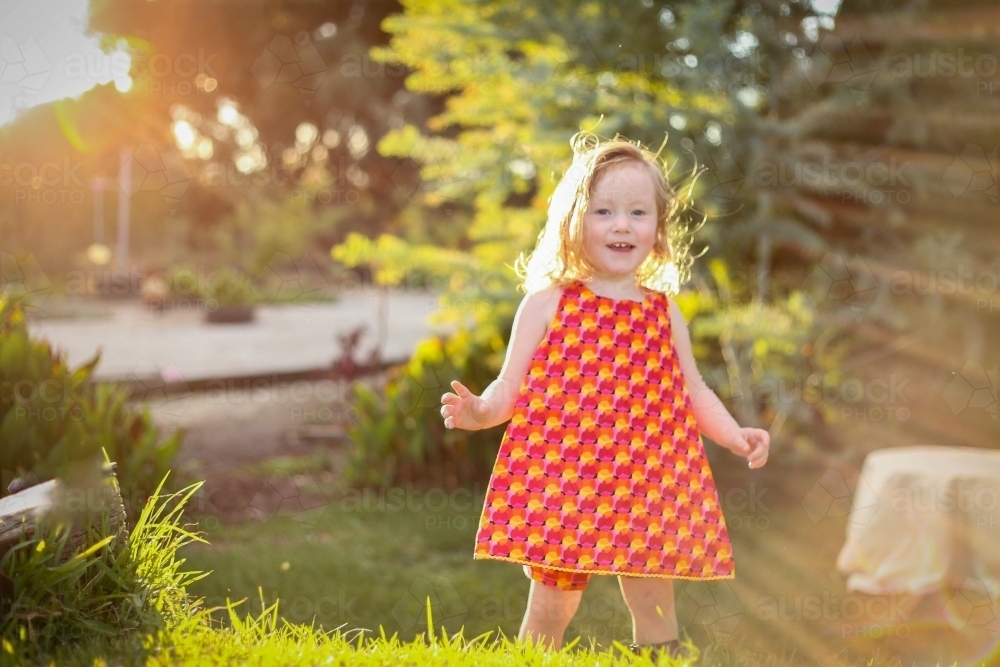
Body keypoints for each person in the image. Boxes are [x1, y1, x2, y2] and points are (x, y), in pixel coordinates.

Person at [439, 132, 770, 657]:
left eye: (638, 212)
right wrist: (480, 412)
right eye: (604, 211)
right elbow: (508, 389)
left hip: (645, 483)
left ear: (658, 228)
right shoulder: (549, 303)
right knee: (551, 606)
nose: (622, 224)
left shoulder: (663, 311)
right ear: (575, 221)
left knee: (655, 600)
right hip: (567, 483)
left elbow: (695, 390)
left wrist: (734, 435)